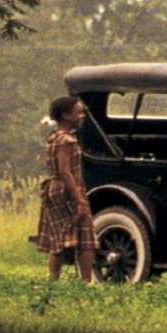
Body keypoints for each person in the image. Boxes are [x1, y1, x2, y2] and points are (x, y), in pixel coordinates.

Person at [35, 96, 100, 284]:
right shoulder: (67, 141)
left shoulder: (54, 137)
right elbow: (65, 172)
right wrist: (79, 199)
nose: (81, 116)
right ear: (65, 115)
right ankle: (85, 281)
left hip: (53, 188)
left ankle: (53, 280)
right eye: (78, 112)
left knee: (59, 238)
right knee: (85, 237)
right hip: (67, 189)